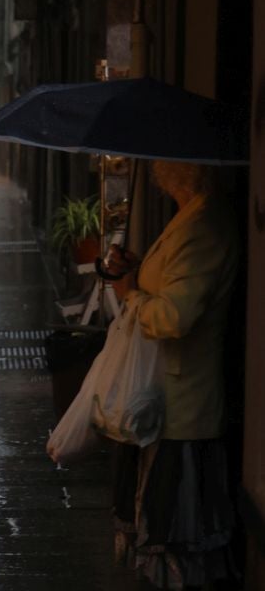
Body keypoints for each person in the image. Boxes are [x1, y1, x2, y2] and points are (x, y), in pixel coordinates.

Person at [102, 160, 240, 589]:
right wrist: (136, 268)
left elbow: (174, 317)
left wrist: (131, 294)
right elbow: (172, 284)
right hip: (160, 395)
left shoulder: (204, 225)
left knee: (173, 539)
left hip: (181, 404)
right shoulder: (190, 217)